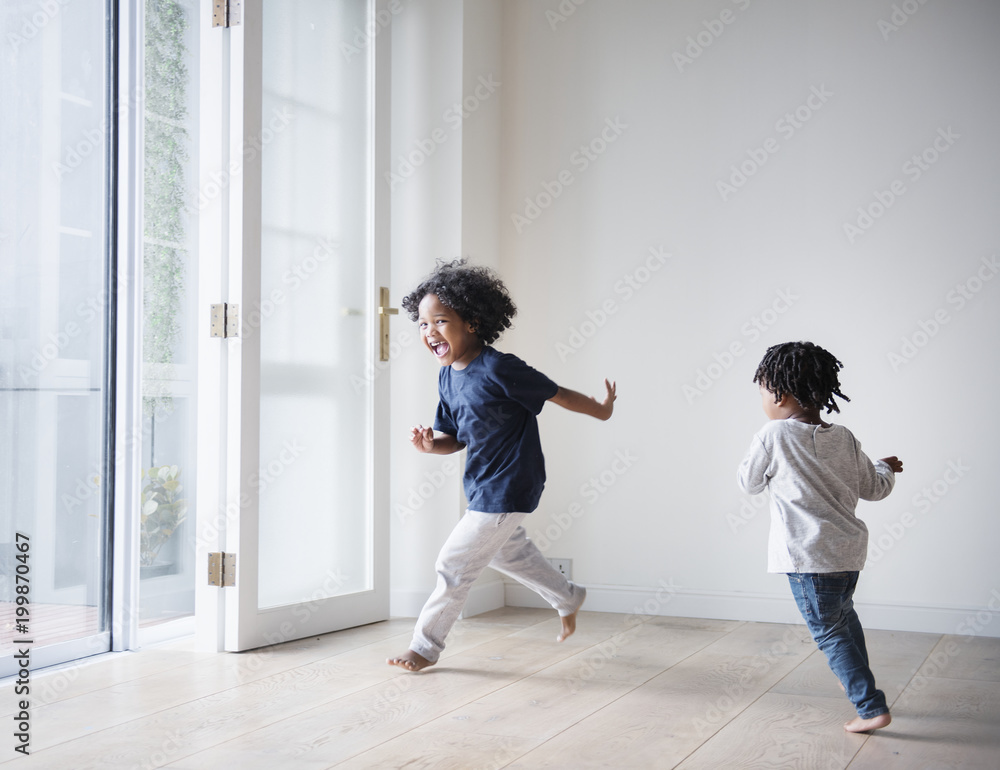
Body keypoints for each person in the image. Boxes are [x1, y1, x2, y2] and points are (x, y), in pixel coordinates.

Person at [388, 259, 616, 672]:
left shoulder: (499, 367)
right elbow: (455, 438)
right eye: (422, 324)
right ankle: (567, 596)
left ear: (472, 322)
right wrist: (428, 445)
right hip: (481, 485)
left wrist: (600, 411)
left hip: (511, 482)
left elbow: (556, 393)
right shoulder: (447, 377)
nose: (429, 332)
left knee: (453, 564)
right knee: (507, 553)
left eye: (440, 321)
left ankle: (424, 647)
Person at [737, 341, 903, 733]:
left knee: (829, 633)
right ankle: (871, 696)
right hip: (848, 556)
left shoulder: (772, 435)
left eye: (762, 390)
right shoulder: (843, 436)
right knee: (845, 620)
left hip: (807, 559)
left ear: (782, 393)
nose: (762, 400)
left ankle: (870, 707)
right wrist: (886, 467)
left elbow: (749, 483)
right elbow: (875, 488)